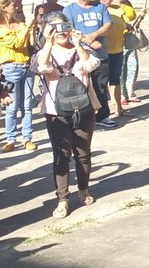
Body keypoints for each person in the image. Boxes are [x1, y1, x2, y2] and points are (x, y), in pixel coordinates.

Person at [31, 12, 99, 219]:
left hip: (84, 108)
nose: (61, 32)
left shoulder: (82, 49)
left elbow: (90, 66)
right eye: (55, 27)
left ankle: (83, 189)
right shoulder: (45, 52)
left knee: (83, 152)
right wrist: (47, 42)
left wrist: (78, 43)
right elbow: (41, 68)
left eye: (64, 26)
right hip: (56, 111)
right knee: (61, 155)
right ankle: (62, 199)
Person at [62, 0, 117, 128]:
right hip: (80, 58)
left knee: (100, 86)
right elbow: (68, 30)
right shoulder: (69, 10)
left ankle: (102, 116)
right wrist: (88, 41)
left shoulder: (100, 7)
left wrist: (93, 35)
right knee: (81, 87)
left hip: (100, 55)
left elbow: (108, 24)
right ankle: (82, 118)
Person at [0, 0, 36, 153]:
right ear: (4, 7)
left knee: (27, 105)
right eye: (12, 5)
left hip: (26, 65)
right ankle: (11, 138)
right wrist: (27, 28)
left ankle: (27, 138)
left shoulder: (19, 23)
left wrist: (32, 28)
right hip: (10, 68)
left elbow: (29, 43)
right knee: (12, 105)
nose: (15, 7)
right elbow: (16, 43)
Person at [112, 0, 146, 105]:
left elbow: (134, 25)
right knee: (121, 68)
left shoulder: (127, 4)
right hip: (117, 40)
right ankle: (121, 95)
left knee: (133, 65)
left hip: (129, 38)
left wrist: (141, 17)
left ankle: (130, 92)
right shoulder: (110, 7)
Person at [98, 0, 128, 118]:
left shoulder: (118, 9)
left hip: (117, 50)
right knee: (101, 83)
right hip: (103, 51)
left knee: (115, 80)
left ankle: (119, 108)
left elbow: (127, 26)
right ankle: (101, 110)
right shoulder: (96, 11)